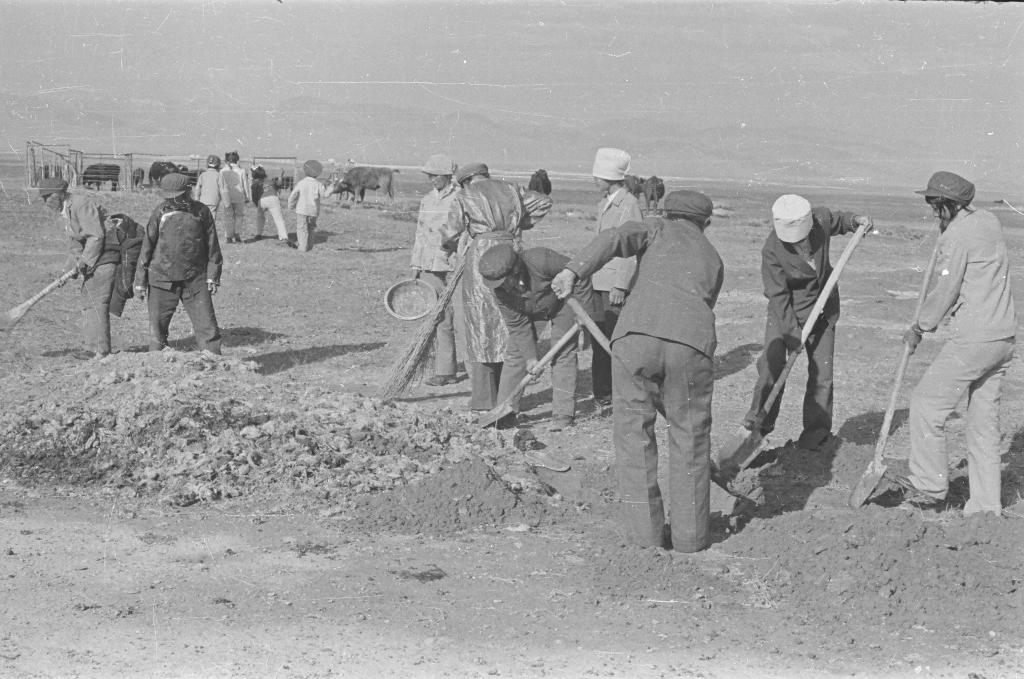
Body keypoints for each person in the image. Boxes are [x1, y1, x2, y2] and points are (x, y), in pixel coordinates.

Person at [551, 190, 723, 552]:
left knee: (633, 436)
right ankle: (691, 540)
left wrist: (572, 270)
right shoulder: (713, 257)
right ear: (706, 223)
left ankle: (645, 541)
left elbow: (614, 238)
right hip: (691, 348)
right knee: (690, 438)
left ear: (666, 212)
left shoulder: (654, 228)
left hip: (634, 342)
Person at [895, 171, 1016, 514]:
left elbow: (947, 289)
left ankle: (928, 485)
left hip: (974, 340)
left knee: (925, 405)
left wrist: (920, 326)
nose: (933, 211)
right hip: (1003, 336)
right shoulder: (988, 220)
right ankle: (985, 507)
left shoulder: (956, 236)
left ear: (949, 204)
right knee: (982, 424)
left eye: (935, 205)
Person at [743, 194, 874, 451]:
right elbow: (778, 296)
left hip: (823, 310)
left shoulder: (820, 219)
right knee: (771, 367)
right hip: (786, 313)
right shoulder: (772, 250)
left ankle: (816, 435)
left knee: (822, 374)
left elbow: (839, 220)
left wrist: (855, 220)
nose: (799, 243)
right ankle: (758, 426)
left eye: (801, 237)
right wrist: (793, 334)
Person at [442, 163, 552, 415]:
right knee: (511, 320)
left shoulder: (465, 195)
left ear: (465, 180)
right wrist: (518, 224)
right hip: (512, 253)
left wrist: (450, 246)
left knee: (481, 325)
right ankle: (509, 395)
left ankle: (484, 400)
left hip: (481, 258)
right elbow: (544, 202)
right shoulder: (511, 188)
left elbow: (450, 233)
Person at [477, 242, 597, 431]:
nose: (502, 287)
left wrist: (584, 312)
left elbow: (580, 275)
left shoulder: (542, 260)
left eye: (504, 282)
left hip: (564, 302)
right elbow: (517, 325)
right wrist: (531, 358)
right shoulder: (499, 290)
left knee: (563, 353)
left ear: (515, 269)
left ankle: (563, 414)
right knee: (516, 355)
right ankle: (505, 414)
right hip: (529, 311)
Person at [133, 173, 223, 354]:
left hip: (195, 279)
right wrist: (140, 282)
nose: (173, 201)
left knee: (207, 326)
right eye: (169, 197)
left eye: (177, 196)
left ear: (188, 192)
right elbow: (147, 247)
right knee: (157, 330)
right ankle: (156, 362)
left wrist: (213, 276)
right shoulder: (160, 212)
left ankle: (214, 360)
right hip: (161, 279)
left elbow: (212, 245)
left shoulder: (202, 212)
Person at [38, 179, 117, 357]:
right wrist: (65, 271)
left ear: (58, 194)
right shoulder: (66, 211)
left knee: (96, 301)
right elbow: (75, 246)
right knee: (89, 301)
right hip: (95, 257)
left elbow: (96, 236)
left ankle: (99, 350)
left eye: (47, 197)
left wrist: (84, 261)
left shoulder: (81, 204)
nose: (45, 202)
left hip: (106, 255)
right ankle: (92, 348)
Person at [589, 147, 643, 409]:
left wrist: (621, 284)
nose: (594, 180)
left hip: (612, 286)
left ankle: (619, 395)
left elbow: (632, 248)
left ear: (609, 178)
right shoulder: (604, 204)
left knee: (615, 342)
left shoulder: (629, 205)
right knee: (598, 340)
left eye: (597, 176)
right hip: (597, 282)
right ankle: (602, 395)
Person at [410, 153, 460, 386]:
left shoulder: (461, 198)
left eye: (435, 175)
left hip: (453, 265)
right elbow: (420, 233)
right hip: (430, 266)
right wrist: (416, 264)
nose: (431, 179)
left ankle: (478, 373)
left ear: (447, 176)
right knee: (439, 317)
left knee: (462, 319)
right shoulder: (427, 199)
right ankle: (445, 370)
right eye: (429, 176)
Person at [287, 159, 331, 252]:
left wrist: (291, 206)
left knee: (302, 228)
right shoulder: (319, 184)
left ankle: (302, 247)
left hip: (302, 210)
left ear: (305, 171)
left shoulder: (301, 183)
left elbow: (293, 195)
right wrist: (331, 188)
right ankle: (310, 246)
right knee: (311, 228)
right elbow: (325, 195)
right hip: (314, 211)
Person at [251, 165, 294, 247]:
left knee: (260, 217)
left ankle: (258, 234)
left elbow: (254, 196)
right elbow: (279, 184)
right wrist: (280, 176)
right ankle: (284, 237)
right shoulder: (270, 181)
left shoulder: (255, 184)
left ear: (254, 175)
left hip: (262, 200)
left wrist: (257, 205)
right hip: (273, 199)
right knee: (278, 219)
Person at [218, 151, 250, 243]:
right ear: (237, 159)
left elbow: (220, 185)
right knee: (239, 215)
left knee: (228, 216)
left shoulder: (222, 171)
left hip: (226, 196)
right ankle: (237, 234)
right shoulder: (241, 170)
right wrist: (247, 197)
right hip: (239, 196)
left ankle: (228, 236)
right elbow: (245, 185)